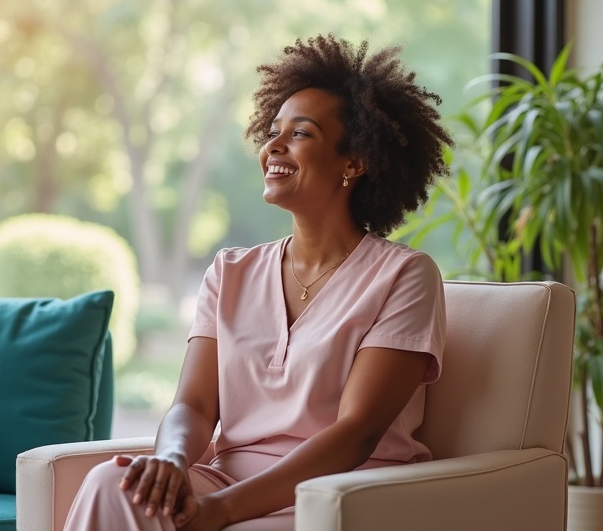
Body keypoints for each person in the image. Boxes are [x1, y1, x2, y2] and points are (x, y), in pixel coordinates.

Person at [63, 33, 454, 531]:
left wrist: (221, 511)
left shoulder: (404, 276)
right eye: (273, 131)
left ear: (354, 163)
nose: (273, 146)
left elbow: (358, 432)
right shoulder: (230, 272)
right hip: (225, 479)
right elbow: (194, 405)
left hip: (335, 495)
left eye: (301, 134)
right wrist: (170, 463)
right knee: (108, 483)